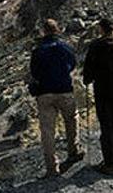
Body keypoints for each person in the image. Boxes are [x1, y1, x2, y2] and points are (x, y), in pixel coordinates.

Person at [29, 19, 84, 178]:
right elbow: (73, 64)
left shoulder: (38, 50)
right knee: (72, 120)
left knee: (47, 131)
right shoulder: (66, 47)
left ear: (44, 31)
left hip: (44, 93)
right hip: (64, 89)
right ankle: (73, 151)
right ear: (57, 30)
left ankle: (52, 168)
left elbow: (34, 72)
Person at [83, 18, 113, 175]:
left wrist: (87, 80)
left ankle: (110, 162)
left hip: (102, 92)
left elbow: (88, 71)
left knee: (106, 126)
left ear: (101, 30)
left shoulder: (95, 46)